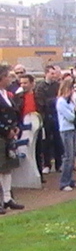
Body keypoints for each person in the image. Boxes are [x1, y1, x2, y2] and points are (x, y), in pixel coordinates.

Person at [0, 65, 24, 213]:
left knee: (8, 168)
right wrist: (5, 130)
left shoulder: (7, 94)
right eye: (8, 76)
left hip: (9, 135)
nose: (10, 79)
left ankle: (8, 198)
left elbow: (14, 112)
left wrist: (15, 127)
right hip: (1, 135)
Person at [35, 65, 63, 173]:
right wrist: (54, 100)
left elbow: (60, 97)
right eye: (51, 73)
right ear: (46, 73)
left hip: (57, 116)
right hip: (46, 117)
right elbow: (41, 102)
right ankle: (46, 164)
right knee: (46, 141)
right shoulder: (40, 86)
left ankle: (59, 164)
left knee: (58, 141)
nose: (54, 75)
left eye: (54, 73)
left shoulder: (57, 85)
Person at [56, 78, 76, 191]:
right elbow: (71, 117)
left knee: (72, 156)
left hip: (73, 129)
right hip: (66, 130)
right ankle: (64, 182)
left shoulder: (71, 101)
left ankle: (70, 180)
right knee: (68, 156)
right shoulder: (60, 102)